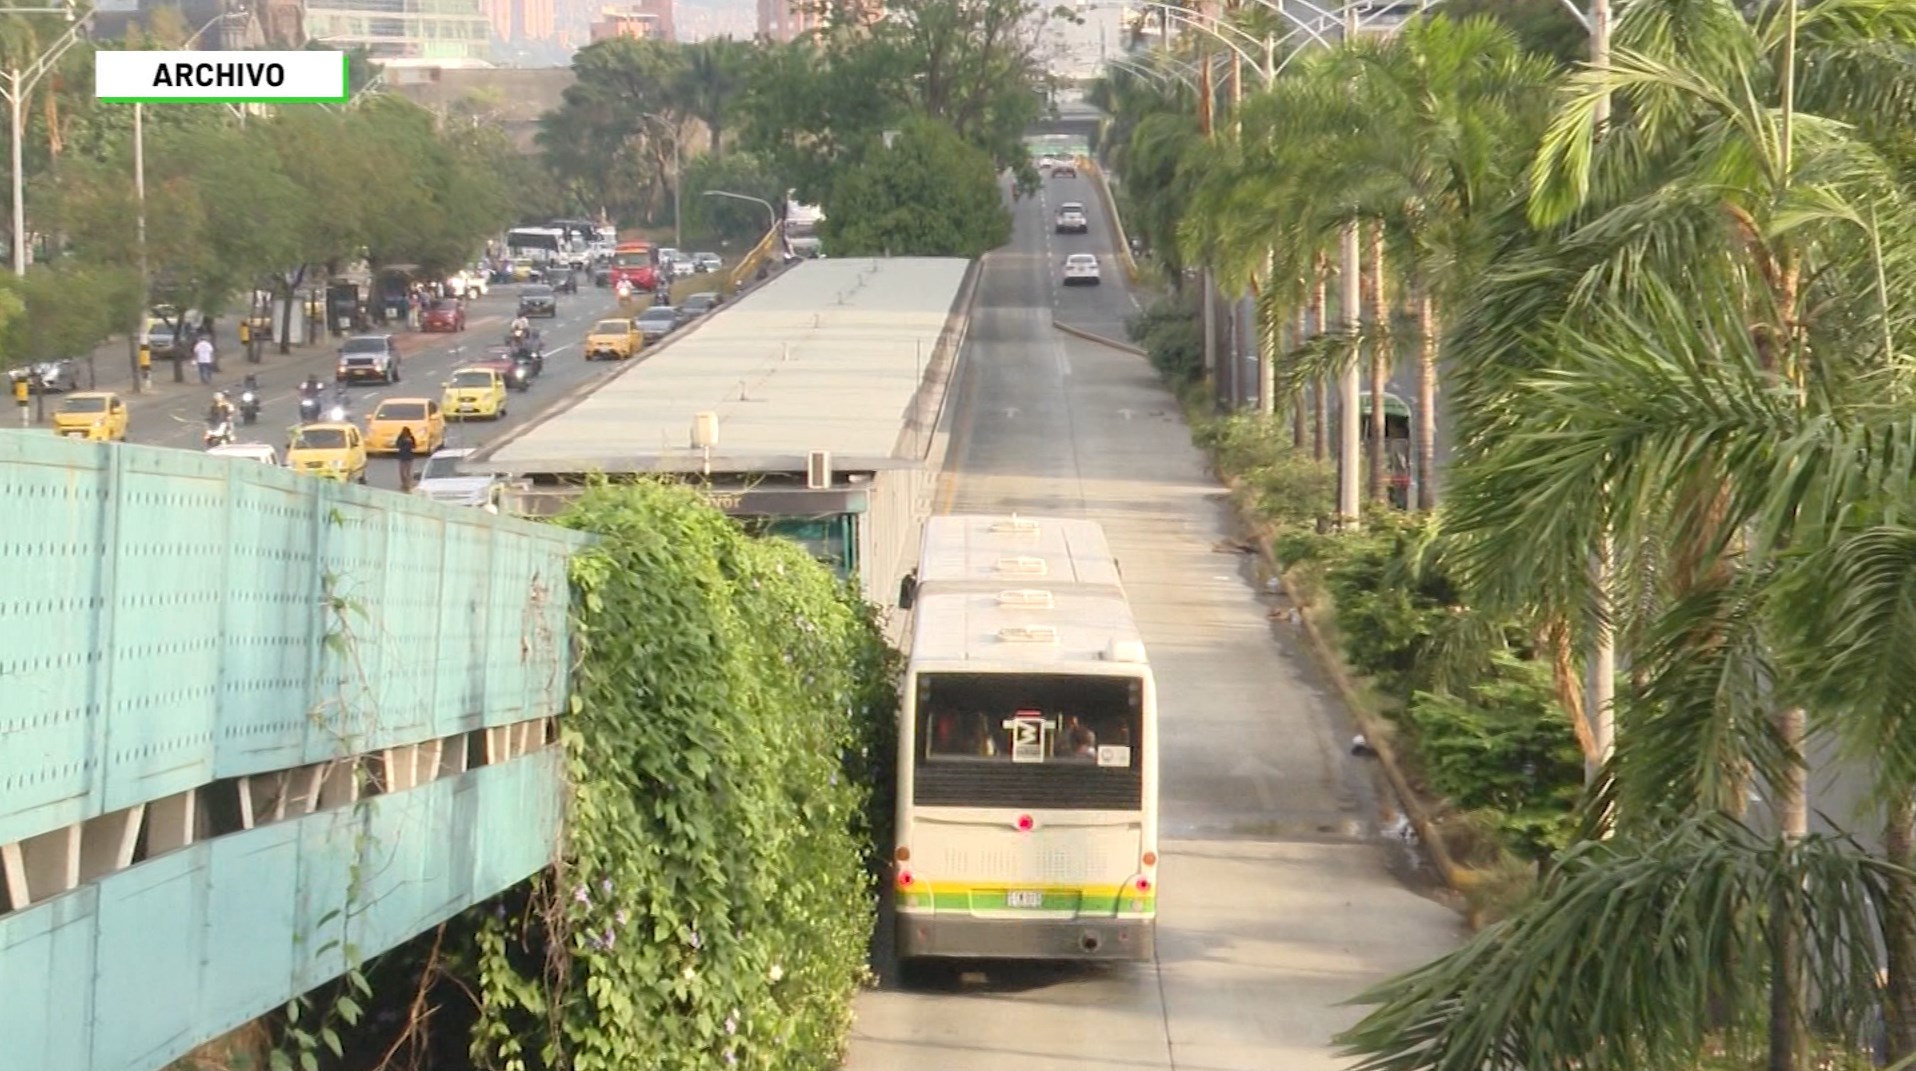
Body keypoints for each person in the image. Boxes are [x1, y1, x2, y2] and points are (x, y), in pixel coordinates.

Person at [395, 426, 418, 492]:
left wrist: (410, 443)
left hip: (409, 456)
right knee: (402, 472)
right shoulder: (401, 437)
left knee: (407, 471)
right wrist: (404, 443)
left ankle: (408, 484)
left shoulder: (411, 437)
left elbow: (414, 446)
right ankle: (404, 483)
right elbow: (397, 444)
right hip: (402, 456)